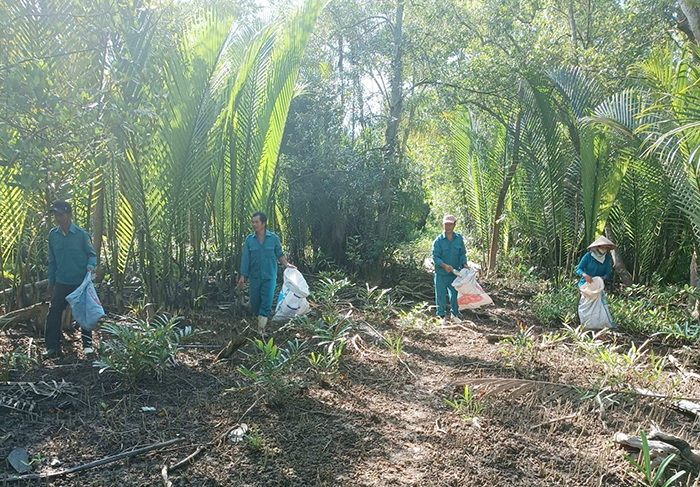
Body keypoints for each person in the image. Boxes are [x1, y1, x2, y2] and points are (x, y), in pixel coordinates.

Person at [44, 200, 97, 359]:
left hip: (80, 282)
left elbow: (91, 255)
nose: (58, 218)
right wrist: (51, 281)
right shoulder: (53, 235)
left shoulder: (81, 235)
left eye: (61, 214)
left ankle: (87, 346)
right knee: (53, 313)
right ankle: (52, 348)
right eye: (55, 215)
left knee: (83, 314)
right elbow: (52, 261)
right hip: (61, 281)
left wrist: (90, 266)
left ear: (69, 215)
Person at [236, 212, 294, 333]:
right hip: (255, 277)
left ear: (263, 223)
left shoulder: (273, 239)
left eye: (256, 222)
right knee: (255, 301)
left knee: (266, 303)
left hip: (269, 276)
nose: (254, 224)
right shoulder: (249, 240)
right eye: (253, 222)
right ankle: (260, 321)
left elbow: (279, 254)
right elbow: (246, 258)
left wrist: (287, 264)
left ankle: (260, 330)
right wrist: (243, 276)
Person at [432, 214, 467, 324]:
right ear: (443, 225)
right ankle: (441, 316)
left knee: (455, 295)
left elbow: (462, 254)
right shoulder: (438, 241)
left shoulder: (459, 239)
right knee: (441, 295)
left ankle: (454, 315)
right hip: (441, 273)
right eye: (446, 224)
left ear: (454, 225)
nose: (448, 227)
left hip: (454, 273)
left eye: (450, 224)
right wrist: (444, 265)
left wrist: (464, 264)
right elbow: (435, 257)